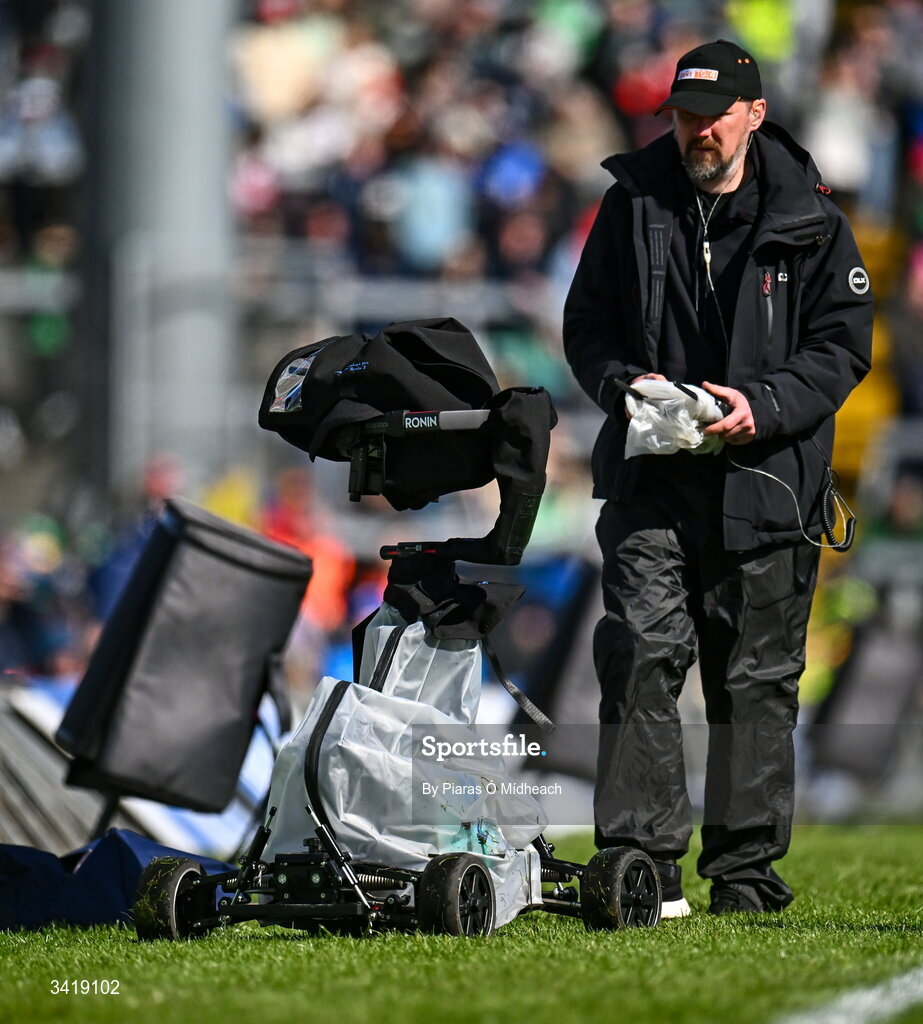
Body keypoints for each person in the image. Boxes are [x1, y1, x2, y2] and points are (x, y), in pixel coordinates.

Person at [562, 39, 873, 916]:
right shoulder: (629, 203)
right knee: (638, 653)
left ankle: (741, 875)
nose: (695, 133)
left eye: (711, 118)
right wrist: (623, 387)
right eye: (682, 117)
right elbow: (586, 327)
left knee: (754, 679)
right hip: (651, 475)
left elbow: (842, 349)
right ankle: (640, 865)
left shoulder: (815, 221)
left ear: (753, 116)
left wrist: (760, 406)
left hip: (766, 480)